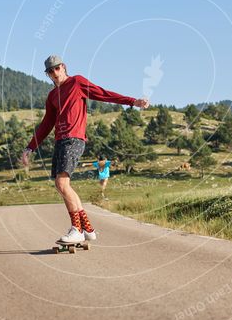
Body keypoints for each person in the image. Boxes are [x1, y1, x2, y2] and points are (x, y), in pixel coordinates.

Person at [21, 55, 149, 243]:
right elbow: (47, 123)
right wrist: (30, 147)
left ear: (63, 67)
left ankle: (77, 229)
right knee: (62, 186)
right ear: (48, 74)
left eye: (57, 69)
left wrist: (132, 102)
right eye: (50, 71)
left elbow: (103, 93)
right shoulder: (51, 96)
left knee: (62, 184)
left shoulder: (77, 83)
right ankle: (87, 229)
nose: (54, 73)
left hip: (74, 139)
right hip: (60, 140)